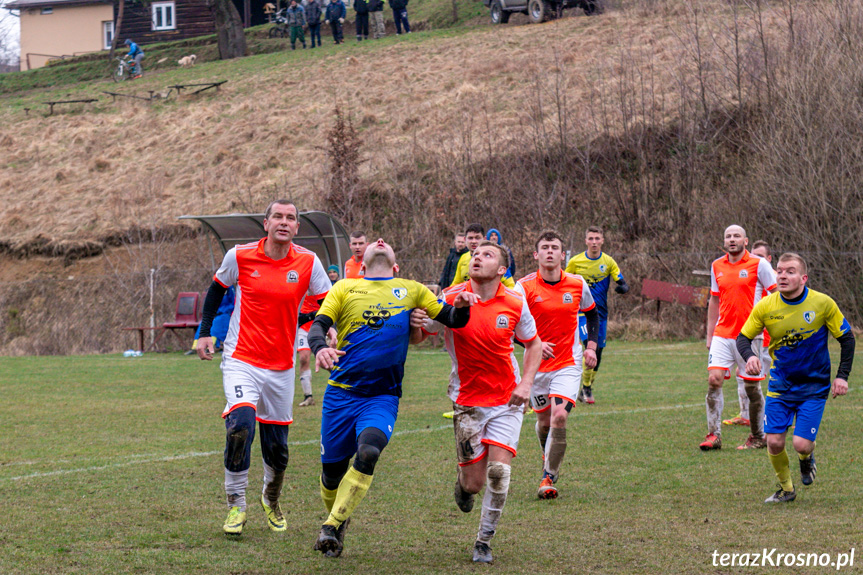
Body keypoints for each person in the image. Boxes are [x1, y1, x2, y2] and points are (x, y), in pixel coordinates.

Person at [308, 238, 475, 557]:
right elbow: (318, 327)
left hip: (382, 397)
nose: (380, 241)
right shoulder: (344, 287)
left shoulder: (412, 289)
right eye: (374, 242)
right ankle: (338, 520)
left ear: (396, 266)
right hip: (340, 396)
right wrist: (321, 348)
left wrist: (464, 306)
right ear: (364, 263)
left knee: (369, 451)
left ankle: (331, 526)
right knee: (331, 474)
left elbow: (453, 319)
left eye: (385, 243)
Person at [196, 200, 331, 536]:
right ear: (266, 223)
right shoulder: (240, 256)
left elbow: (330, 302)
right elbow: (216, 290)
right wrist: (205, 333)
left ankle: (271, 498)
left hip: (282, 366)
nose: (284, 222)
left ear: (297, 227)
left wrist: (322, 331)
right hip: (241, 358)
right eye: (278, 217)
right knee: (240, 425)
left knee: (277, 448)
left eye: (291, 218)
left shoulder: (308, 262)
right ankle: (236, 506)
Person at [420, 240, 542, 564]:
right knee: (474, 484)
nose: (477, 258)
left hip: (507, 399)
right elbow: (421, 334)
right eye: (475, 254)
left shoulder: (515, 302)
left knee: (500, 473)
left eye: (487, 255)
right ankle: (462, 486)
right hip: (467, 402)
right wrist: (419, 314)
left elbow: (534, 344)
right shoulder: (449, 297)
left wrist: (527, 383)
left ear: (502, 270)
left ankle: (483, 541)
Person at [736, 253, 854, 503]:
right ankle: (786, 489)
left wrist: (842, 377)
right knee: (774, 441)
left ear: (803, 278)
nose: (782, 275)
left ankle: (806, 458)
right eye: (779, 270)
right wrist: (750, 357)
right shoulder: (767, 305)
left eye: (790, 271)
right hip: (781, 385)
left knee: (801, 444)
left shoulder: (822, 303)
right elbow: (743, 338)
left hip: (814, 385)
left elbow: (847, 338)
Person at [516, 231, 599, 499]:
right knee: (543, 423)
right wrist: (534, 343)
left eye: (555, 248)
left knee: (559, 417)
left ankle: (548, 476)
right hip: (536, 366)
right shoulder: (524, 287)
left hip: (569, 362)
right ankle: (547, 453)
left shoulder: (577, 283)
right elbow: (511, 324)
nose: (550, 251)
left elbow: (592, 312)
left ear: (563, 254)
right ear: (536, 254)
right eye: (545, 247)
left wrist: (591, 346)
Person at [701, 225, 776, 451]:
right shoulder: (717, 265)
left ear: (745, 241)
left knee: (752, 389)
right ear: (724, 241)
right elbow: (714, 301)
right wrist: (710, 334)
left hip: (750, 336)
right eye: (728, 236)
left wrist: (775, 327)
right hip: (722, 334)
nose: (732, 239)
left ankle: (757, 436)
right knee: (714, 380)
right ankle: (714, 435)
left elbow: (776, 294)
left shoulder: (759, 264)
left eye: (736, 236)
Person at [564, 226, 629, 404]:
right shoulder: (576, 262)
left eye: (597, 238)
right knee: (589, 347)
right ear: (586, 241)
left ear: (602, 240)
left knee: (598, 352)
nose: (594, 242)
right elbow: (563, 282)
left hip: (601, 313)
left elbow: (620, 280)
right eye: (590, 238)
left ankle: (587, 386)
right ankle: (585, 387)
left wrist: (623, 287)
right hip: (582, 313)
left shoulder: (608, 262)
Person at [723, 239, 774, 428]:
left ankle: (778, 417)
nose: (756, 259)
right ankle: (745, 415)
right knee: (743, 374)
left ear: (769, 258)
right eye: (754, 255)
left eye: (760, 256)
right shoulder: (750, 275)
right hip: (751, 336)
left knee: (772, 377)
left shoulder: (774, 278)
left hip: (768, 338)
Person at [451, 224, 515, 288]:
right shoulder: (463, 258)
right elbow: (456, 284)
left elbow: (510, 285)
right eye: (470, 238)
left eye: (477, 238)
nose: (473, 241)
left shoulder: (494, 258)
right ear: (465, 239)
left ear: (484, 239)